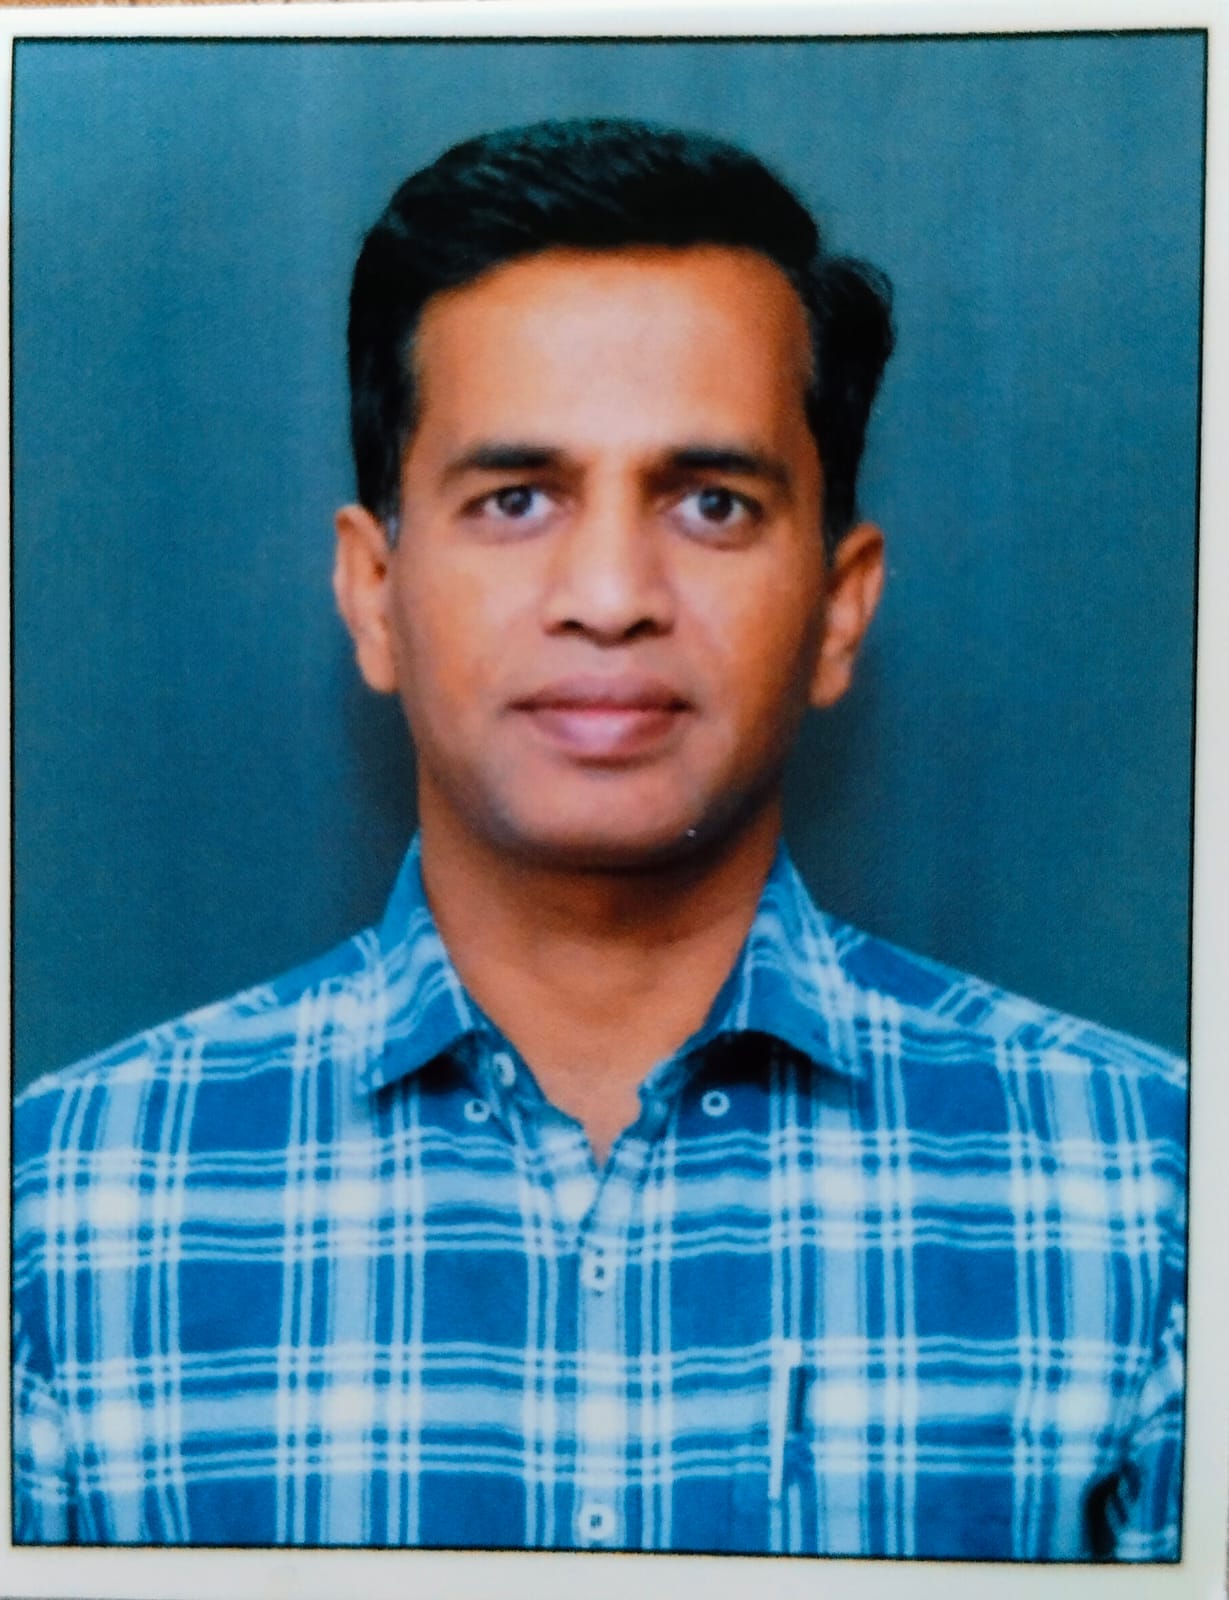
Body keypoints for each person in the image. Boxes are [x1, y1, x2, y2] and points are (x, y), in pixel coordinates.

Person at [13, 118, 1186, 1559]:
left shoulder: (1151, 1190)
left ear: (838, 607)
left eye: (712, 503)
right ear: (374, 593)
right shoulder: (67, 1209)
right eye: (516, 499)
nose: (613, 594)